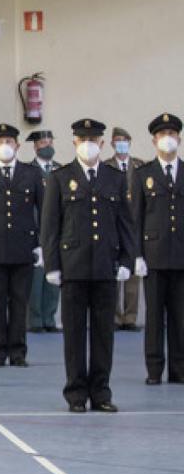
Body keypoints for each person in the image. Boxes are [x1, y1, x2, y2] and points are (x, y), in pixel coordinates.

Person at [41, 119, 135, 413]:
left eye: (94, 139)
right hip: (73, 267)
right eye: (83, 139)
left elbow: (126, 225)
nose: (89, 143)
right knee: (74, 334)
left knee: (104, 334)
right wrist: (52, 265)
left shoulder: (115, 178)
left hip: (106, 266)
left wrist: (126, 261)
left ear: (102, 144)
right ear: (74, 143)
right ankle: (76, 393)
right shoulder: (60, 177)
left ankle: (101, 392)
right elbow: (50, 226)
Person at [0, 124, 45, 367]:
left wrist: (41, 244)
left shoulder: (31, 174)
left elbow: (44, 210)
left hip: (24, 247)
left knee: (20, 302)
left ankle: (18, 352)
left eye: (9, 142)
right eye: (1, 142)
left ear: (17, 146)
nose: (5, 146)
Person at [131, 113, 184, 385]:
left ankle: (179, 369)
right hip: (153, 256)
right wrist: (137, 254)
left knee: (180, 317)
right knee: (154, 317)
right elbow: (136, 217)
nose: (168, 139)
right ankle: (154, 369)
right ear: (154, 140)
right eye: (163, 135)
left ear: (179, 138)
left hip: (181, 256)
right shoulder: (143, 174)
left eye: (172, 134)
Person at [104, 127, 145, 331]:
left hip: (134, 225)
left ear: (130, 142)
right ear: (112, 144)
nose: (121, 143)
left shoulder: (139, 165)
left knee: (133, 275)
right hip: (113, 224)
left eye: (124, 140)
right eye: (117, 140)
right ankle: (115, 317)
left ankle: (130, 317)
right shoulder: (106, 166)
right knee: (113, 274)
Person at [26, 130, 62, 333]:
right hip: (36, 230)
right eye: (42, 142)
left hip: (56, 232)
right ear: (35, 146)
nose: (47, 145)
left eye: (50, 140)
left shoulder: (60, 170)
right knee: (36, 279)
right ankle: (35, 319)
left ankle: (50, 317)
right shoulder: (29, 171)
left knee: (53, 278)